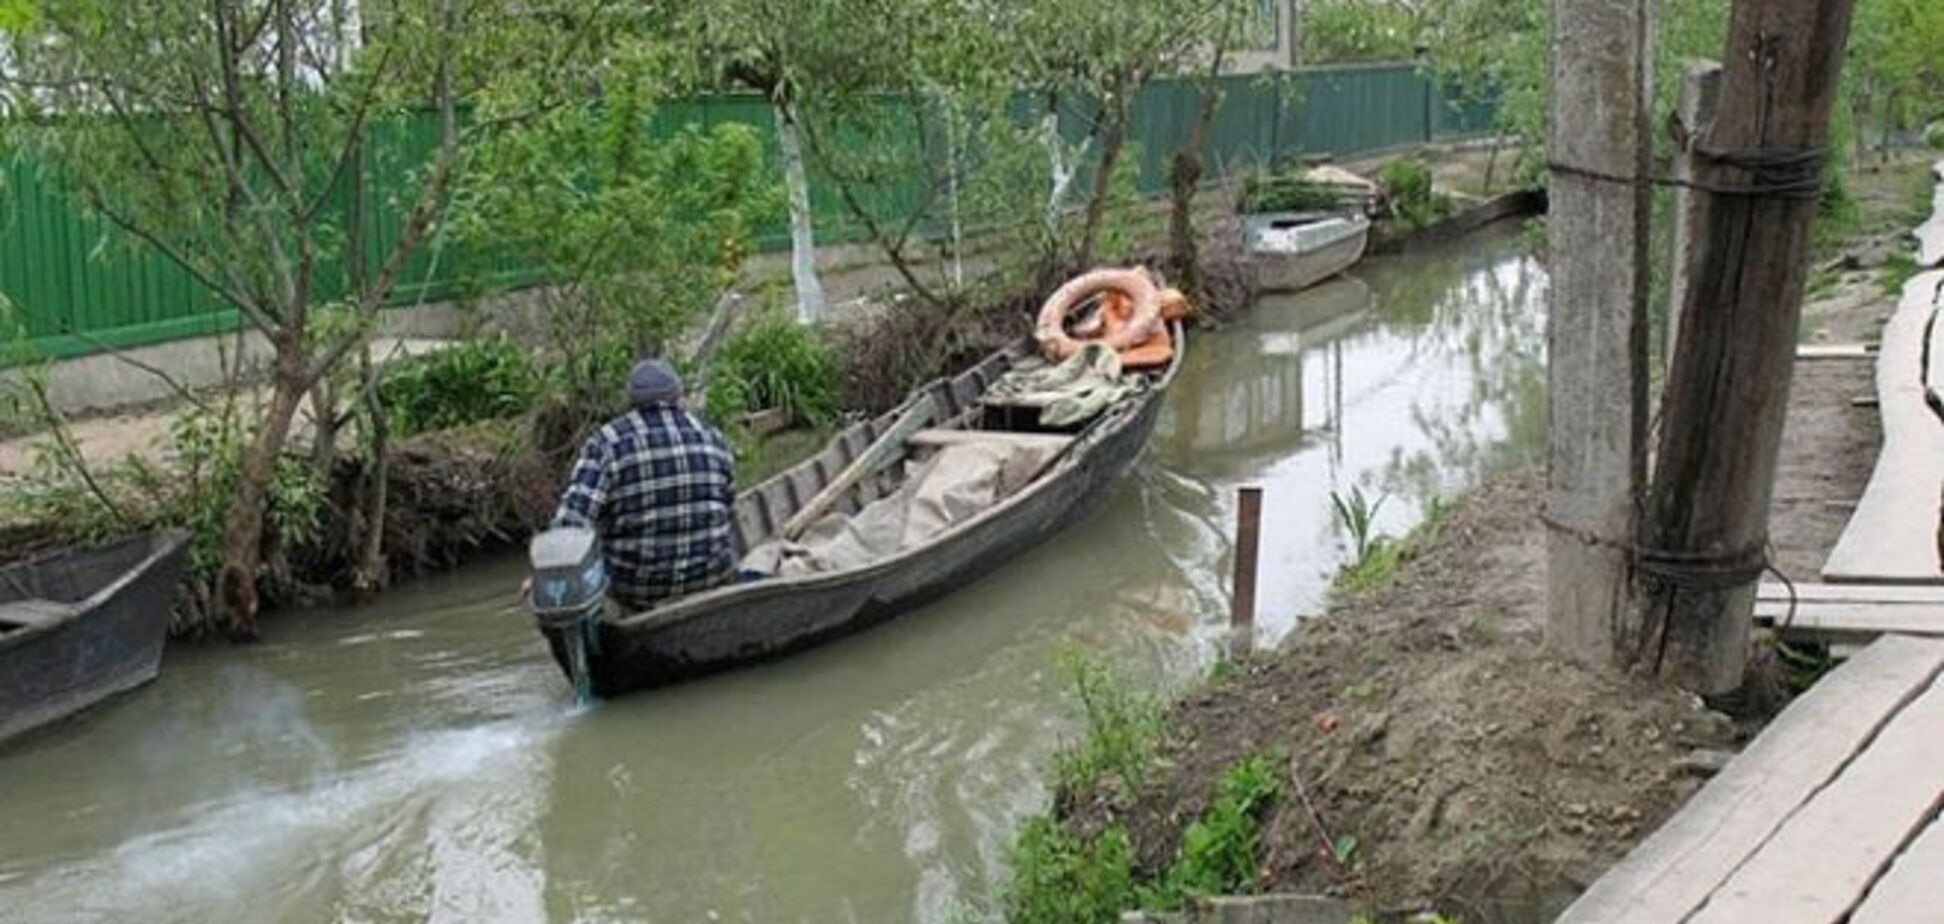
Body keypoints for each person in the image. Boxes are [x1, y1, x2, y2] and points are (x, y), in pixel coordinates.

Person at [549, 358, 738, 610]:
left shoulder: (607, 442)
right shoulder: (714, 438)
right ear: (677, 395)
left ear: (632, 400)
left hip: (637, 590)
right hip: (709, 578)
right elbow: (729, 508)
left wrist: (548, 573)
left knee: (591, 548)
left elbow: (572, 522)